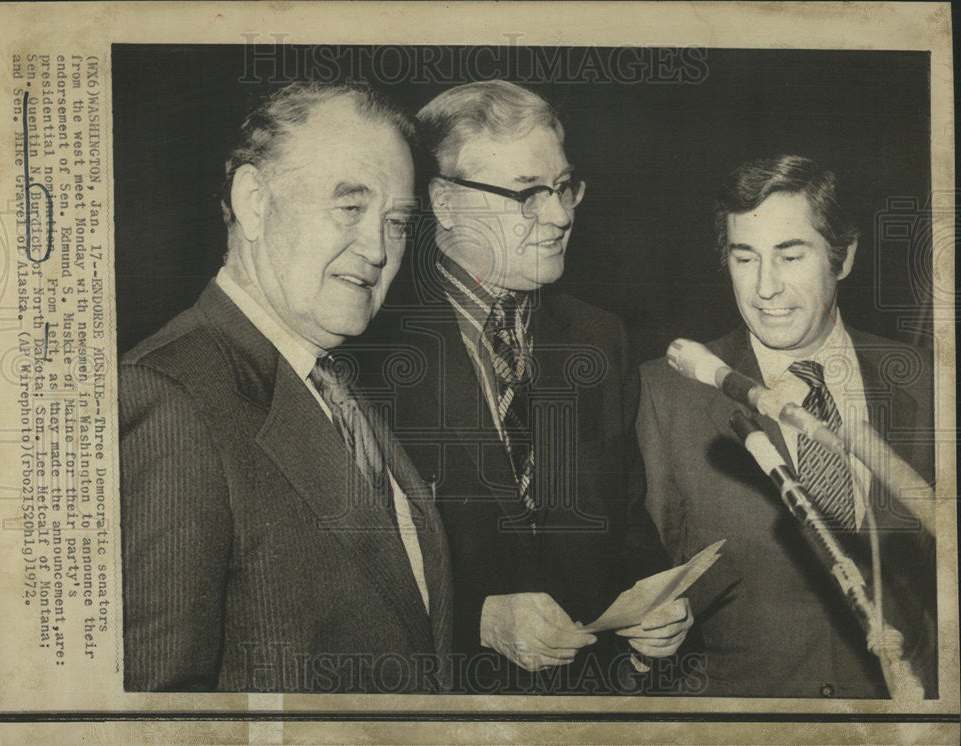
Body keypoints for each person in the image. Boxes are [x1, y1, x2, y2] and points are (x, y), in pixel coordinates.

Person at [362, 81, 696, 694]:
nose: (562, 215)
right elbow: (334, 570)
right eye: (526, 194)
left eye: (565, 187)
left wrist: (653, 597)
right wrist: (478, 619)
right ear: (444, 202)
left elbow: (623, 523)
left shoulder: (598, 338)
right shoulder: (368, 345)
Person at [118, 81, 452, 693]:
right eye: (349, 208)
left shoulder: (333, 385)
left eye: (397, 222)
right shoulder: (169, 398)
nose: (378, 249)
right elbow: (155, 709)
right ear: (252, 202)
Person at [637, 155, 937, 697]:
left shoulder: (930, 382)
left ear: (841, 258)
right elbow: (640, 582)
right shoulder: (665, 395)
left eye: (790, 255)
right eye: (744, 258)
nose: (764, 288)